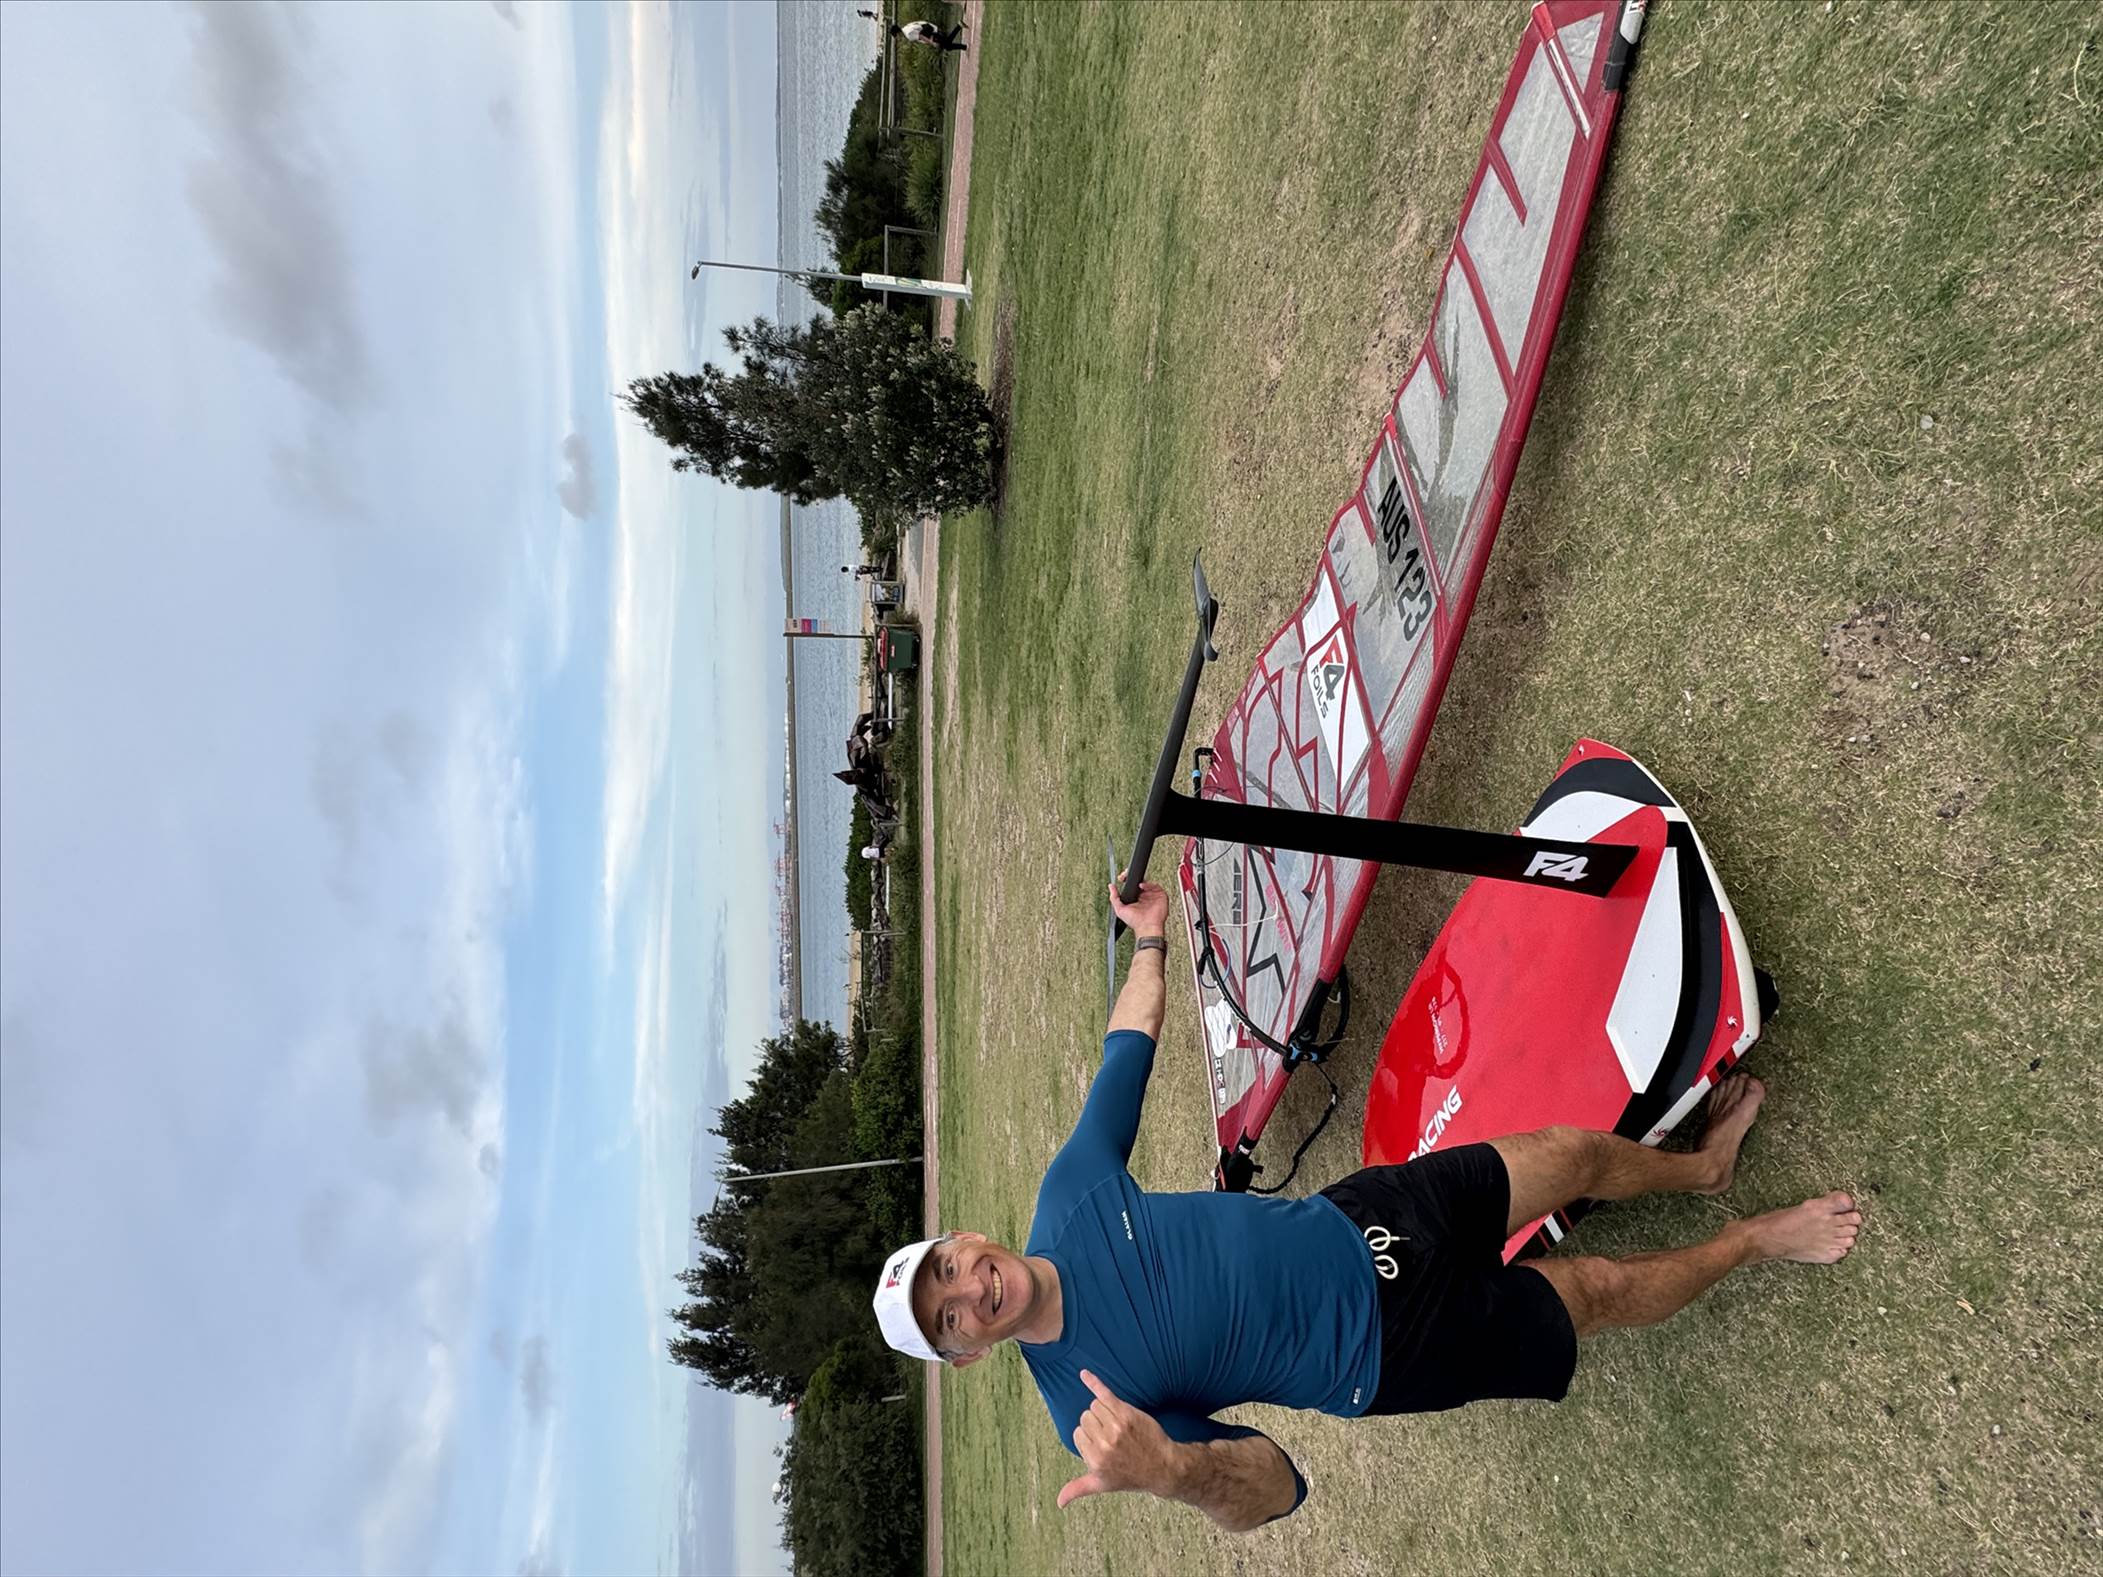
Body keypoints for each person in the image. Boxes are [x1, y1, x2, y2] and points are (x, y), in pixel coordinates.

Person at [871, 877, 1862, 1532]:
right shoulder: (1090, 1411)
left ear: (965, 1237)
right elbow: (1277, 1488)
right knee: (1593, 1288)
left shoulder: (1071, 1193)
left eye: (945, 1268)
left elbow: (1123, 1052)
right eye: (947, 1318)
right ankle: (1749, 1239)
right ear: (966, 1354)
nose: (966, 1291)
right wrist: (1170, 1469)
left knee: (1567, 1153)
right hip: (1389, 1351)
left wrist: (1153, 939)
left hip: (1363, 1215)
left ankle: (1700, 1171)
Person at [894, 18, 967, 53]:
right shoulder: (906, 27)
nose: (898, 38)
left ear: (897, 33)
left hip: (930, 35)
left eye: (896, 36)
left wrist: (932, 42)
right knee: (947, 44)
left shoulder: (908, 35)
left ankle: (959, 27)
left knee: (947, 45)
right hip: (929, 29)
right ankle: (964, 46)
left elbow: (921, 36)